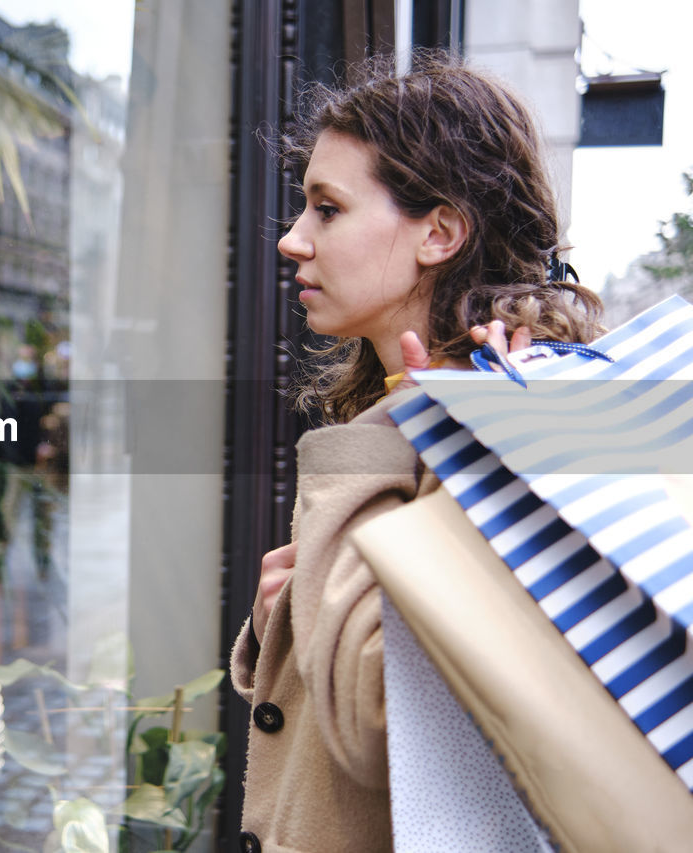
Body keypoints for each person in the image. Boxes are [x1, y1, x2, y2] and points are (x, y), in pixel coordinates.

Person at [229, 53, 605, 851]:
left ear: (439, 232)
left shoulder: (495, 421)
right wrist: (281, 618)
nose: (293, 239)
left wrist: (379, 442)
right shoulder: (415, 398)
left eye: (327, 209)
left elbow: (381, 721)